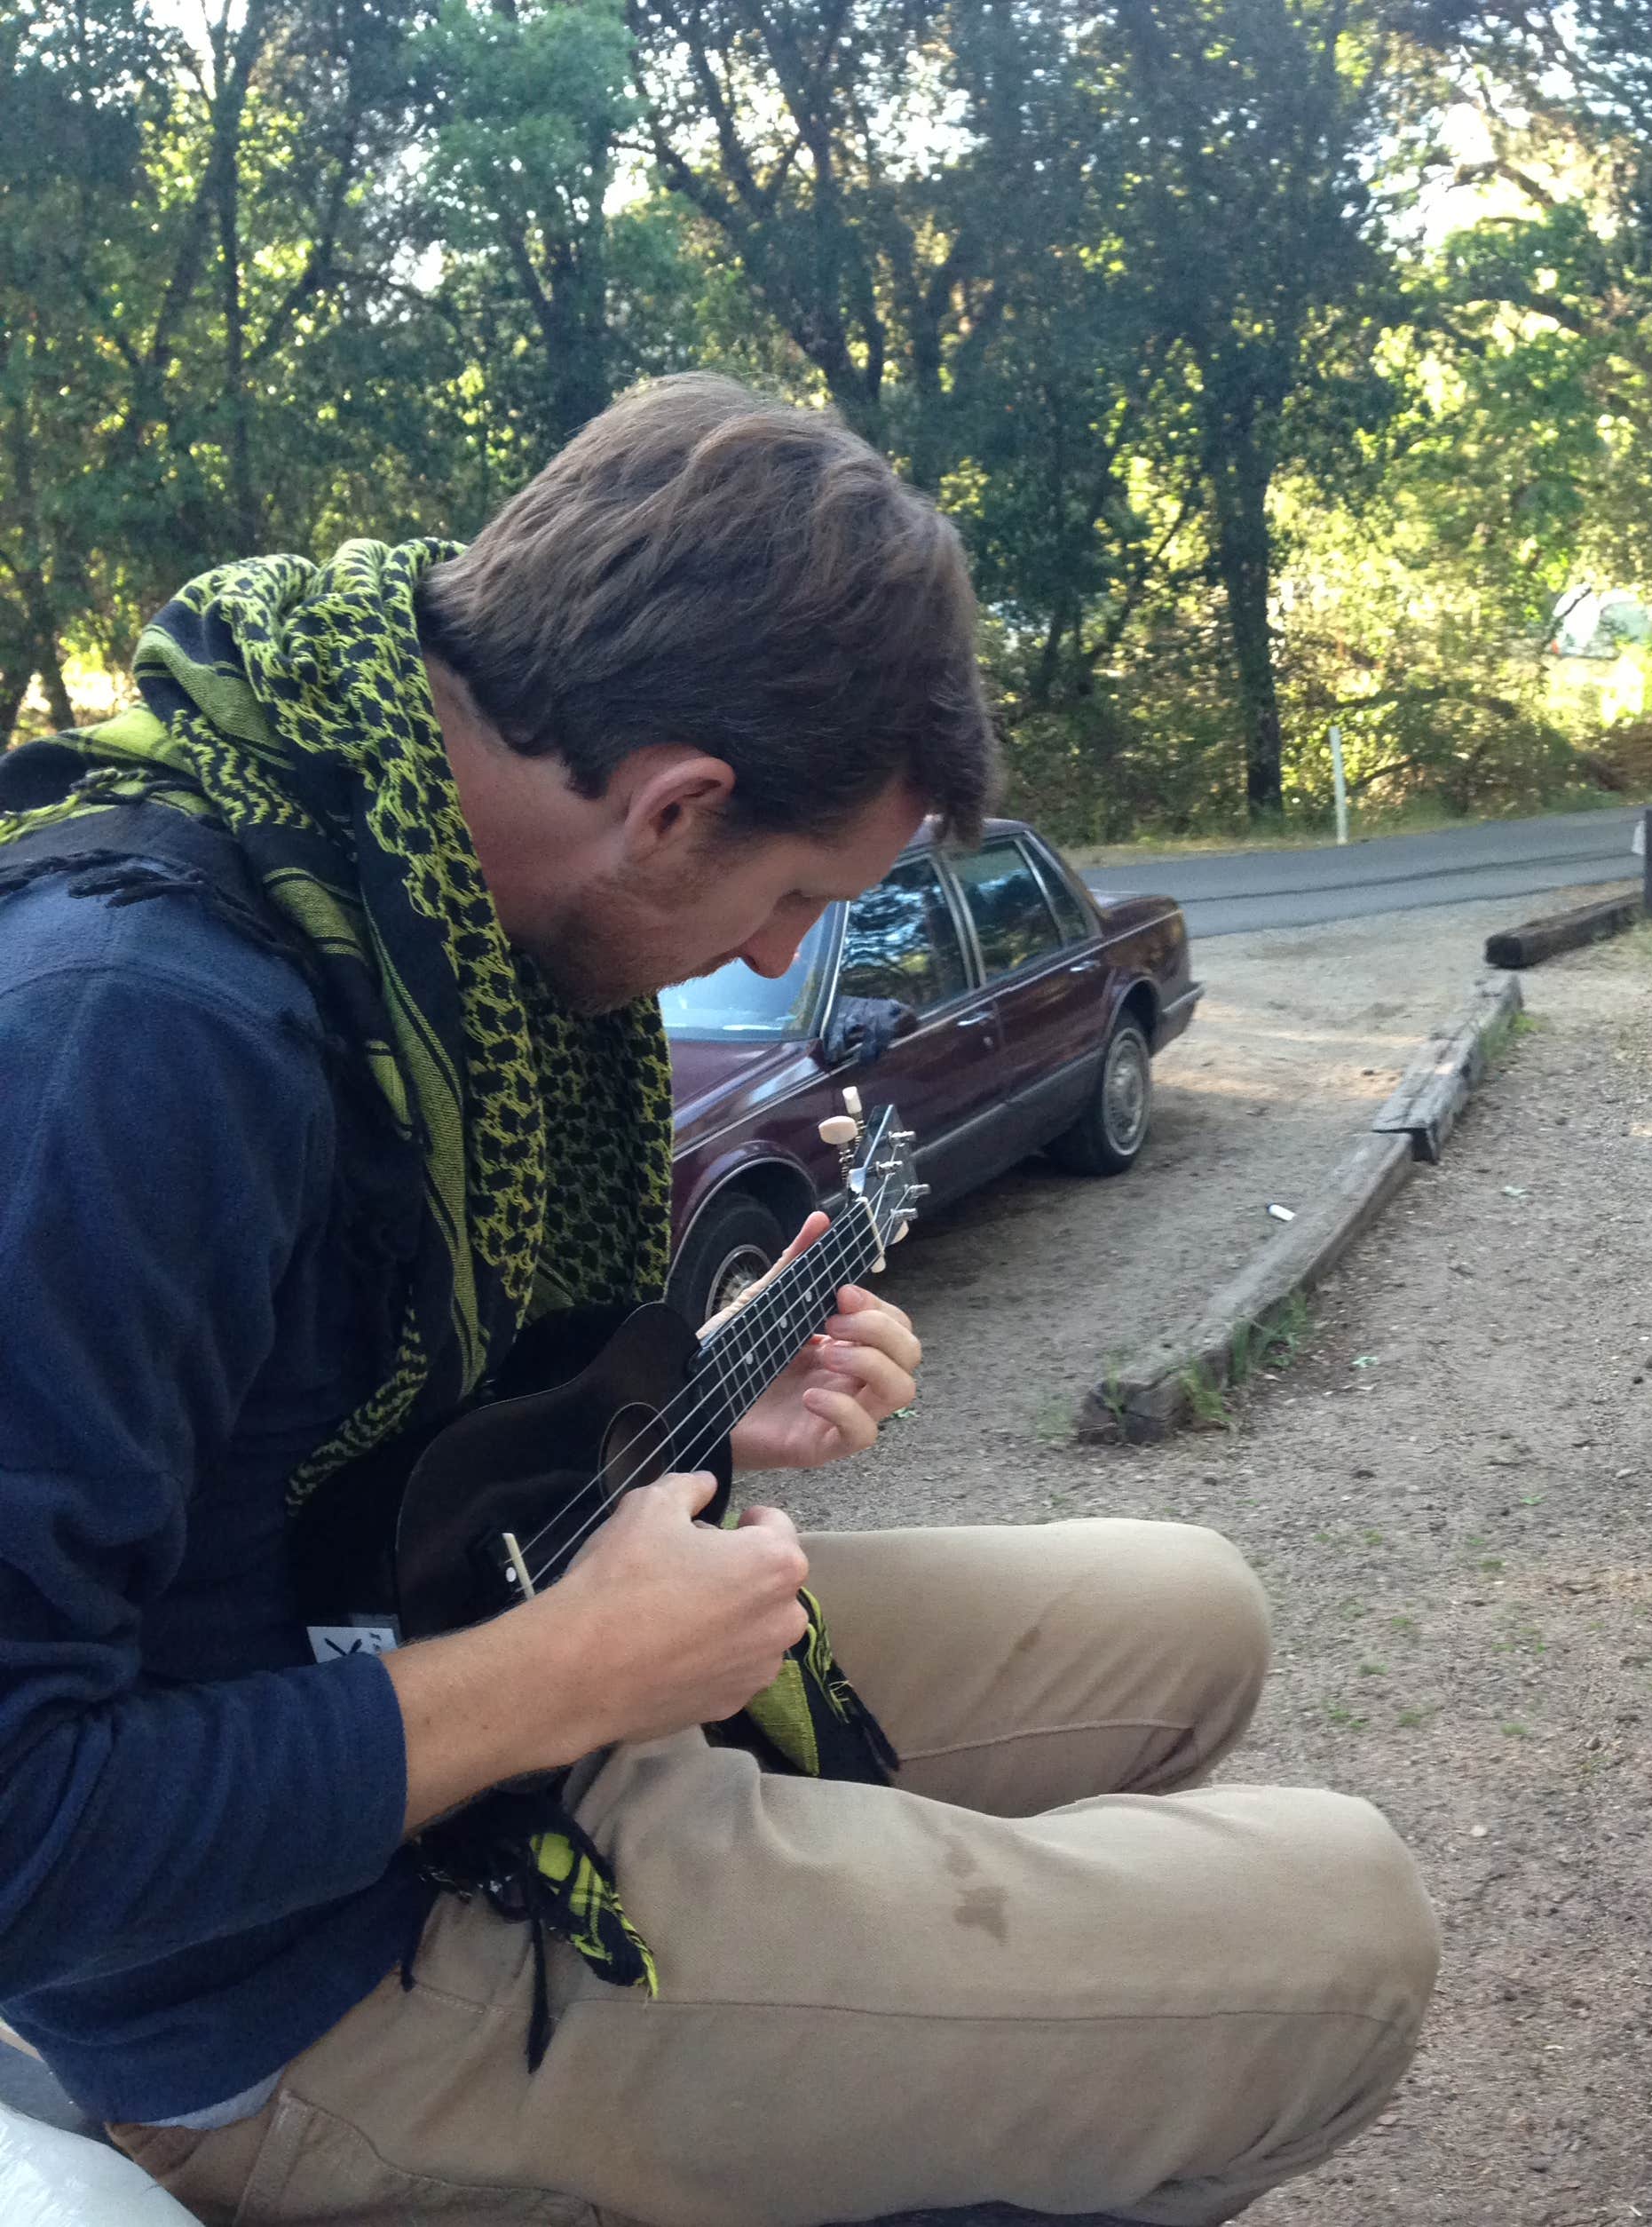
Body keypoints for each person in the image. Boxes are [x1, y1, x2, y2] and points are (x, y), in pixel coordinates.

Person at [0, 373, 1438, 2225]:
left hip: (470, 1697)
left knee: (1198, 1614)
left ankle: (873, 2016)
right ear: (677, 806)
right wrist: (565, 1673)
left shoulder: (423, 886)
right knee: (1355, 1935)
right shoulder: (130, 1043)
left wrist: (669, 1420)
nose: (772, 958)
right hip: (303, 1980)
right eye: (790, 898)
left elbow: (343, 1446)